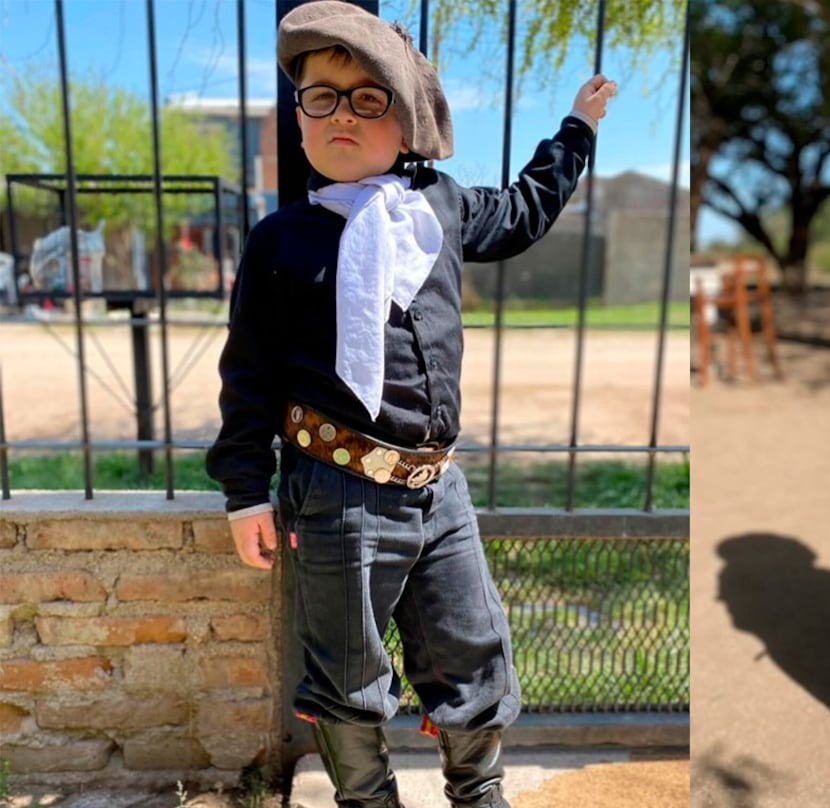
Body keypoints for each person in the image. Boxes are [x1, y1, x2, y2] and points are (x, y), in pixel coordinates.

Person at [204, 3, 616, 806]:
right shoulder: (280, 239)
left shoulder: (442, 208)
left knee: (473, 650)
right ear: (299, 118)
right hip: (338, 491)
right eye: (322, 96)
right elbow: (247, 375)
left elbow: (528, 210)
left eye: (369, 97)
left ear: (410, 119)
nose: (342, 114)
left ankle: (479, 793)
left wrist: (576, 128)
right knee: (348, 675)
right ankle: (367, 800)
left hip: (441, 491)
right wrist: (245, 491)